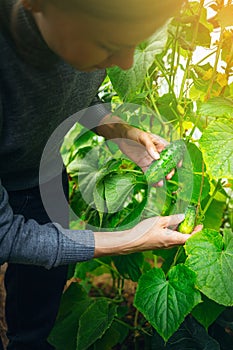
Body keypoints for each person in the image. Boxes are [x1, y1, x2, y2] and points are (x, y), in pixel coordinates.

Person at [0, 0, 201, 349]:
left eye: (134, 44)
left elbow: (81, 94)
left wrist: (122, 132)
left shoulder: (80, 30)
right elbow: (5, 235)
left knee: (37, 310)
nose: (125, 63)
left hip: (43, 174)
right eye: (110, 46)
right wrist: (128, 240)